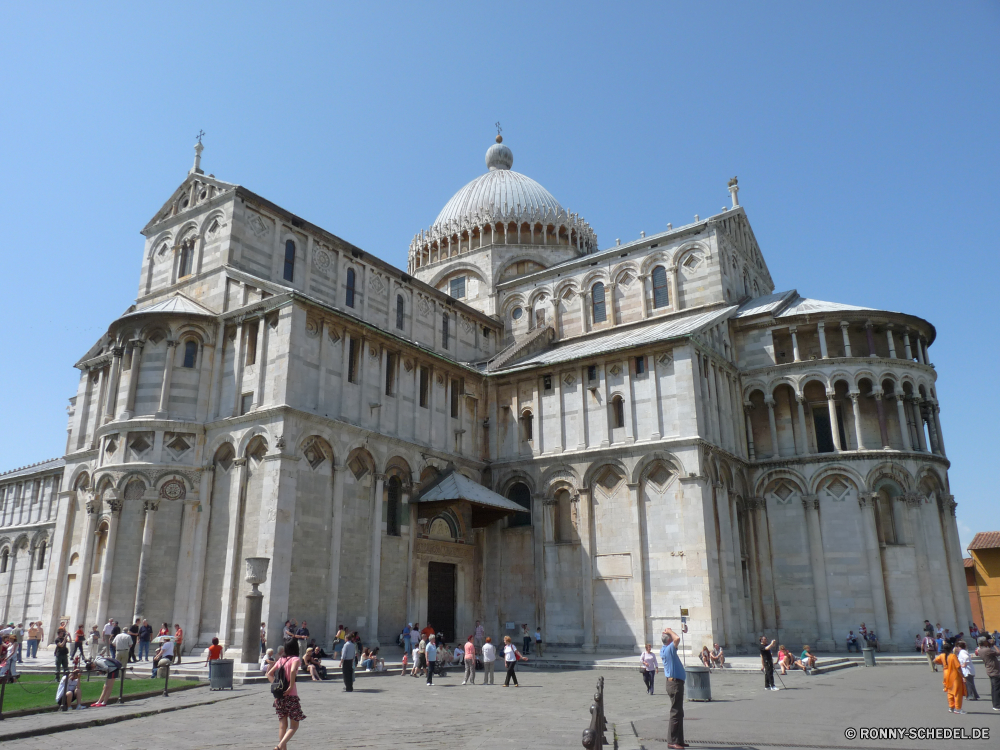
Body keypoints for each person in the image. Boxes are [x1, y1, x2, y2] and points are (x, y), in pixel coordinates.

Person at [267, 639, 305, 750]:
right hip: (291, 695)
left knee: (282, 725)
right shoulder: (295, 659)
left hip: (279, 697)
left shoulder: (281, 660)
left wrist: (277, 686)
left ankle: (283, 749)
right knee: (294, 725)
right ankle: (279, 747)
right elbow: (293, 671)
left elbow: (269, 674)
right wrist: (290, 686)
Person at [660, 628, 686, 749]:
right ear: (669, 640)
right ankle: (672, 741)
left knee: (679, 712)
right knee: (675, 712)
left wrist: (668, 633)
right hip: (675, 684)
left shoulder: (664, 649)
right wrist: (670, 631)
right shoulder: (669, 649)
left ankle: (679, 740)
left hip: (675, 683)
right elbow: (677, 638)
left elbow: (674, 639)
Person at [934, 643, 967, 713]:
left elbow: (935, 661)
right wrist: (963, 676)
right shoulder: (953, 656)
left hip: (946, 673)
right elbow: (958, 667)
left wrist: (943, 664)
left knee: (950, 691)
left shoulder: (942, 655)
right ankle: (958, 708)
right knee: (957, 691)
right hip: (954, 674)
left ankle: (951, 707)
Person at [976, 636, 999, 711]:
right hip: (994, 671)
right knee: (997, 689)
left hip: (990, 670)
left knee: (994, 688)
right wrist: (994, 645)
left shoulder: (981, 650)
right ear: (983, 642)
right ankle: (997, 705)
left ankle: (996, 704)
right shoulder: (987, 650)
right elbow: (998, 652)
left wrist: (990, 645)